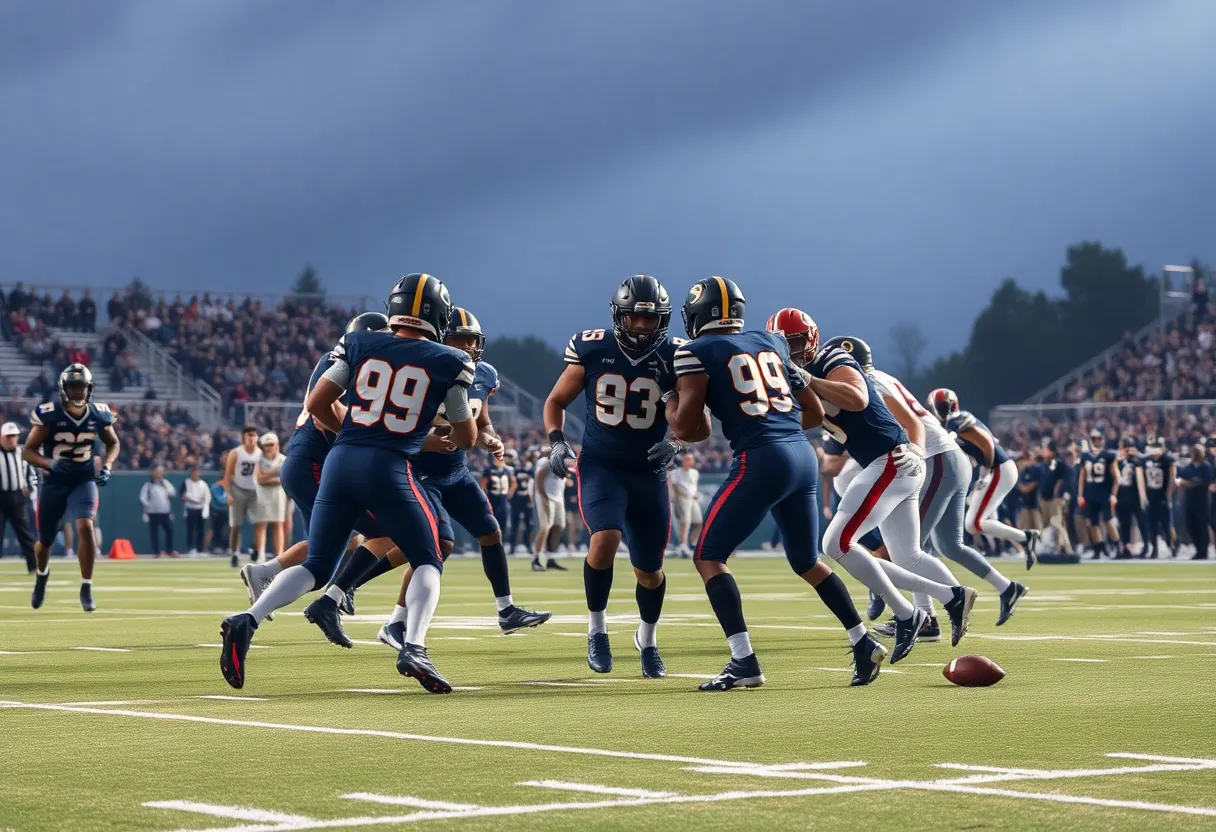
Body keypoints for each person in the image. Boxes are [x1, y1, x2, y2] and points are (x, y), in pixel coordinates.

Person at [219, 273, 478, 693]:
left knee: (318, 565)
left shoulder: (358, 343)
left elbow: (317, 403)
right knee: (428, 556)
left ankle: (246, 620)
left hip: (340, 461)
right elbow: (465, 438)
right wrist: (420, 436)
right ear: (438, 315)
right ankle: (413, 645)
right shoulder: (450, 361)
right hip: (389, 468)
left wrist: (358, 429)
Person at [667, 279, 892, 690]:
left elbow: (687, 428)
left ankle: (744, 661)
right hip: (803, 454)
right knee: (806, 560)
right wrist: (778, 426)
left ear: (697, 316)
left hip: (761, 457)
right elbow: (814, 411)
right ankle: (862, 640)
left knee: (707, 555)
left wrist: (672, 396)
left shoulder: (693, 352)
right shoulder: (770, 341)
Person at [778, 326, 975, 653]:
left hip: (891, 459)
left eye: (796, 342)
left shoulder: (833, 359)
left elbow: (859, 400)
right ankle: (951, 598)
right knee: (908, 556)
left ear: (812, 340)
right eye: (785, 345)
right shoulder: (797, 378)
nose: (792, 351)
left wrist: (915, 446)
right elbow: (809, 419)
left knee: (835, 543)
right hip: (888, 462)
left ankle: (913, 612)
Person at [814, 334, 1025, 630]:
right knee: (932, 548)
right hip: (936, 456)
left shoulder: (866, 382)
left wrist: (917, 449)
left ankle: (928, 616)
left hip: (929, 455)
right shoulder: (874, 378)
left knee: (909, 550)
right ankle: (979, 595)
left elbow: (907, 420)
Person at [364, 308, 549, 641]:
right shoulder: (427, 369)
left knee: (490, 532)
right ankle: (379, 610)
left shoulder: (484, 374)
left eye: (471, 340)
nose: (467, 346)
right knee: (439, 545)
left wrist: (490, 438)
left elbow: (480, 422)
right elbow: (398, 425)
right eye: (458, 339)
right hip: (420, 473)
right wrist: (425, 443)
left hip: (457, 471)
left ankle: (506, 610)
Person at [543, 275, 680, 678]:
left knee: (649, 572)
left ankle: (647, 639)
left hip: (649, 472)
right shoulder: (592, 347)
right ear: (619, 316)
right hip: (602, 464)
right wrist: (555, 441)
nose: (641, 326)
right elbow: (555, 400)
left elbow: (696, 415)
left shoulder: (678, 354)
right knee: (604, 539)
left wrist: (677, 442)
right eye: (634, 318)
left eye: (650, 319)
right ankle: (597, 630)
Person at [238, 312, 395, 623]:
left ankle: (264, 573)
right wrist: (361, 436)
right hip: (313, 465)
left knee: (341, 542)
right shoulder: (341, 360)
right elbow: (324, 412)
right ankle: (341, 590)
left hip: (310, 466)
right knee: (383, 531)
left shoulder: (359, 365)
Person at [24, 364, 120, 612]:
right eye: (73, 387)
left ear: (89, 389)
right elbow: (28, 451)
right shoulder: (50, 414)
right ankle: (42, 574)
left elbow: (113, 443)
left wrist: (107, 465)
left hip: (83, 479)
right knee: (44, 542)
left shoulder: (99, 414)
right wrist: (51, 464)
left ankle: (86, 585)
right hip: (55, 482)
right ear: (63, 389)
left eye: (81, 387)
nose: (77, 392)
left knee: (86, 526)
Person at [929, 388, 1039, 561]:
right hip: (994, 468)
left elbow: (987, 443)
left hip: (998, 469)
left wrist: (986, 471)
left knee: (974, 524)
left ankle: (1025, 538)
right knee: (978, 518)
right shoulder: (958, 419)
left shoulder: (956, 421)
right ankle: (1000, 547)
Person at [1077, 429, 1120, 559]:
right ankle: (1099, 548)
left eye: (1097, 439)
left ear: (1102, 440)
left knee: (1108, 521)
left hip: (1104, 492)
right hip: (1090, 493)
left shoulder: (1108, 456)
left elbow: (1117, 477)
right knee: (1092, 523)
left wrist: (1113, 494)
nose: (1095, 441)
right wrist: (1080, 494)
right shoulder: (1085, 456)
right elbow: (1082, 476)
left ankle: (1118, 547)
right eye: (1093, 439)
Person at [221, 427, 261, 566]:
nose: (252, 438)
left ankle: (255, 548)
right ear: (243, 437)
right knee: (236, 524)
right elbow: (227, 475)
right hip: (238, 489)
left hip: (255, 491)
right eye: (249, 435)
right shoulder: (236, 453)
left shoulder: (260, 454)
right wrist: (228, 493)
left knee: (258, 522)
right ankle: (234, 553)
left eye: (255, 435)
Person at [0, 421, 37, 573]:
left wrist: (31, 490)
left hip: (17, 498)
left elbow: (32, 476)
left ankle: (34, 566)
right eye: (9, 437)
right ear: (2, 438)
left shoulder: (23, 454)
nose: (12, 439)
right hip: (0, 498)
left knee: (25, 534)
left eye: (14, 436)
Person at [531, 448, 567, 570]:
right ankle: (536, 559)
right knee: (545, 527)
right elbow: (539, 479)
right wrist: (544, 497)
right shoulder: (545, 462)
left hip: (558, 498)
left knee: (559, 526)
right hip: (546, 497)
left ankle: (551, 558)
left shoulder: (561, 462)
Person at [1176, 443, 1213, 560]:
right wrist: (1187, 483)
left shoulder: (1206, 467)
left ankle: (1203, 551)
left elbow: (1205, 482)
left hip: (1202, 501)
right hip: (1189, 501)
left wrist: (1189, 483)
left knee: (1202, 526)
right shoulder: (1188, 467)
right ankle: (1198, 548)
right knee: (1191, 525)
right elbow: (1181, 479)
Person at [253, 432, 286, 561]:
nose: (268, 447)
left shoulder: (283, 459)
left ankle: (279, 555)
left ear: (276, 445)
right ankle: (260, 554)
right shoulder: (258, 459)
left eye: (271, 444)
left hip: (278, 494)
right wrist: (274, 472)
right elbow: (260, 479)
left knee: (278, 524)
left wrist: (268, 477)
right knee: (261, 524)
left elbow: (282, 480)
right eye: (266, 445)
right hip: (262, 494)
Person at [1142, 437, 1176, 558]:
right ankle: (1154, 549)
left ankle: (1172, 545)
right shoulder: (1146, 460)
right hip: (1151, 495)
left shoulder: (1167, 460)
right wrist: (1144, 496)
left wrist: (1168, 496)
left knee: (1167, 524)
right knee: (1152, 524)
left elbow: (1172, 479)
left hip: (1163, 495)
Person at [1114, 438, 1148, 558]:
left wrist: (1143, 497)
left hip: (1135, 496)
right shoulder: (1118, 462)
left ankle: (1146, 547)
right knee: (1124, 524)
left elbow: (1141, 480)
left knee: (1141, 522)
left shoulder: (1137, 461)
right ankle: (1126, 548)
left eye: (1122, 447)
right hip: (1122, 496)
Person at [1036, 441, 1072, 555]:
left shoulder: (1059, 464)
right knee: (1046, 525)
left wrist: (1061, 495)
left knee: (1056, 523)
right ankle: (1054, 547)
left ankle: (1067, 549)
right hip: (1044, 499)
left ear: (1051, 451)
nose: (1043, 451)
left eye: (1045, 449)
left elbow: (1066, 479)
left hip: (1054, 499)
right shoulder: (1045, 464)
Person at [668, 452, 701, 558]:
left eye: (691, 459)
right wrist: (678, 497)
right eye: (687, 459)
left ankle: (691, 544)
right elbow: (675, 486)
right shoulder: (676, 472)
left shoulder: (695, 472)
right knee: (685, 522)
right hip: (682, 499)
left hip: (692, 499)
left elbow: (694, 486)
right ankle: (683, 545)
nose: (689, 461)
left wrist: (695, 494)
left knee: (699, 522)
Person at [140, 465, 176, 556]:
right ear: (153, 473)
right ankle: (156, 552)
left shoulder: (166, 483)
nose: (159, 473)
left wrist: (170, 511)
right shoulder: (148, 485)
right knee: (154, 533)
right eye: (157, 471)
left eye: (161, 471)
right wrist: (145, 512)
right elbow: (143, 499)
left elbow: (172, 494)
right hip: (153, 512)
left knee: (169, 530)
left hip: (165, 512)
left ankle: (169, 550)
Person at [480, 453, 515, 551]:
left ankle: (500, 543)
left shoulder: (506, 470)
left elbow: (513, 482)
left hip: (503, 499)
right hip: (492, 499)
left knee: (503, 521)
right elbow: (482, 486)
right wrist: (484, 498)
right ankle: (491, 543)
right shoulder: (488, 470)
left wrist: (510, 493)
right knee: (492, 522)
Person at [181, 467, 210, 555]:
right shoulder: (186, 482)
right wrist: (192, 500)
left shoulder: (203, 484)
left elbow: (207, 496)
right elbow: (182, 495)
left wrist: (205, 508)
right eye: (193, 473)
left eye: (197, 473)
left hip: (200, 509)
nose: (195, 475)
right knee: (191, 530)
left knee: (201, 530)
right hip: (190, 509)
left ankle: (200, 549)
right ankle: (191, 548)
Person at [509, 453, 535, 554]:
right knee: (514, 524)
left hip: (527, 499)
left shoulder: (531, 470)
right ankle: (512, 547)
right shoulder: (515, 470)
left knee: (529, 525)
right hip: (516, 500)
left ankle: (528, 545)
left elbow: (533, 484)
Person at [207, 477, 228, 554]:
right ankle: (209, 548)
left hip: (224, 512)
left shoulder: (226, 488)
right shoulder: (215, 487)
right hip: (215, 511)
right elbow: (221, 500)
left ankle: (223, 547)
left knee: (224, 530)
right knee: (213, 530)